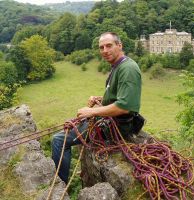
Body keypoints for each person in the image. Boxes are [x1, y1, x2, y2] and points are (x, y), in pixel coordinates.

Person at [52, 32, 142, 183]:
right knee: (67, 131)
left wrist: (91, 111)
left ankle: (59, 184)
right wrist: (101, 99)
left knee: (58, 140)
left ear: (119, 45)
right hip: (111, 120)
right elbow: (119, 96)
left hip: (115, 126)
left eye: (109, 46)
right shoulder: (119, 65)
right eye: (101, 47)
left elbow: (124, 107)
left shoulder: (128, 69)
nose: (105, 51)